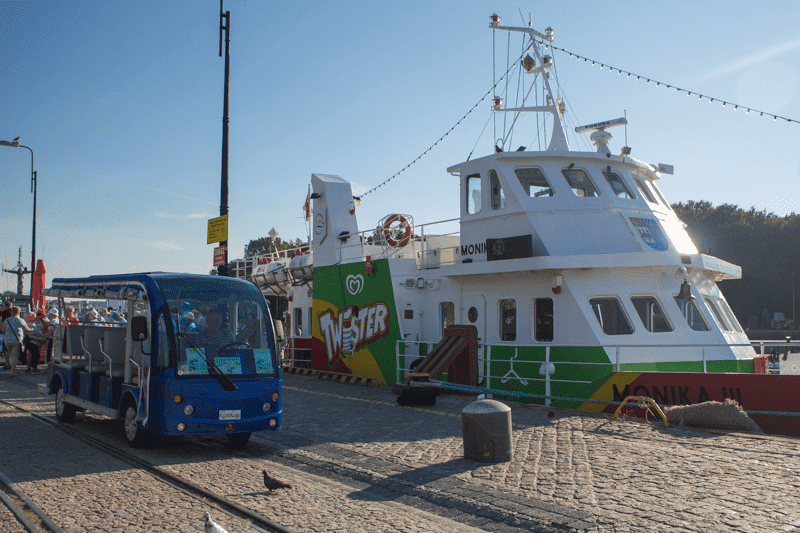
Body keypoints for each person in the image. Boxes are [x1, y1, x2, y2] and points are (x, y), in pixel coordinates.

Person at [1, 306, 31, 377]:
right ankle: (12, 373)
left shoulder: (6, 320)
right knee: (14, 356)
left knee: (11, 355)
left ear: (11, 312)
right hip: (16, 340)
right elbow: (27, 329)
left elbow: (3, 330)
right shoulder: (20, 320)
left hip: (7, 340)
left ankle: (13, 370)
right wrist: (31, 329)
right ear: (19, 312)